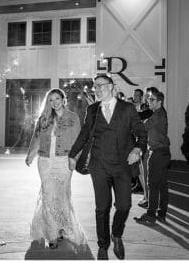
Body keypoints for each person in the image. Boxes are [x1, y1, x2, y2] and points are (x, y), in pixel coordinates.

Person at [69, 75, 147, 260]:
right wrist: (72, 154)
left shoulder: (127, 108)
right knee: (102, 208)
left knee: (124, 205)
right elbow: (84, 134)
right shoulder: (93, 109)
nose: (96, 89)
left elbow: (141, 134)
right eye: (94, 87)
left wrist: (137, 148)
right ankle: (103, 245)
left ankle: (116, 234)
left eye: (100, 86)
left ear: (111, 87)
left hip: (122, 167)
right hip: (99, 165)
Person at [25, 89, 88, 249]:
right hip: (45, 161)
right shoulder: (44, 117)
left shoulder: (73, 117)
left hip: (64, 161)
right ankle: (51, 234)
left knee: (62, 196)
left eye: (57, 98)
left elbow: (79, 140)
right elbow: (36, 137)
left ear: (63, 99)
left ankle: (64, 229)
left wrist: (75, 159)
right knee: (48, 195)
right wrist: (30, 154)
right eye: (51, 100)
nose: (54, 102)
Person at [134, 90, 171, 225]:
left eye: (152, 100)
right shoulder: (160, 113)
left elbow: (143, 127)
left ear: (159, 102)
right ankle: (161, 214)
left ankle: (151, 215)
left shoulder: (157, 115)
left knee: (152, 185)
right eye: (149, 99)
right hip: (163, 152)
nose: (149, 101)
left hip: (158, 153)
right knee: (162, 185)